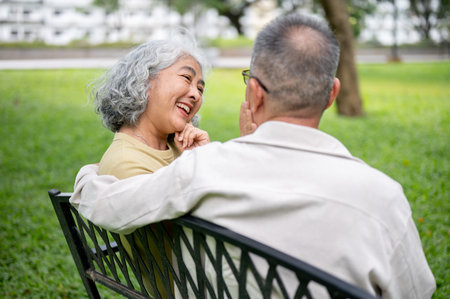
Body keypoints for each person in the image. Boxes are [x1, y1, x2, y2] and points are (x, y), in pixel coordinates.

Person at [70, 13, 435, 298]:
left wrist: (88, 178)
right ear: (331, 94)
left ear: (255, 94)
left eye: (201, 85)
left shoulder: (203, 170)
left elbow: (113, 203)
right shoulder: (384, 197)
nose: (196, 93)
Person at [89, 34, 210, 297]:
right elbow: (201, 235)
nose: (195, 94)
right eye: (186, 79)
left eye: (200, 88)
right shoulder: (127, 162)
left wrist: (200, 158)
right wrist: (205, 165)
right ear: (144, 82)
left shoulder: (177, 148)